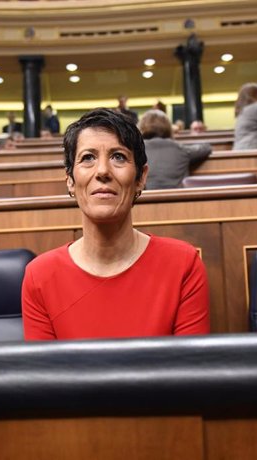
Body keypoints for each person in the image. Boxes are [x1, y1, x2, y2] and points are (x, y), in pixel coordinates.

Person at [22, 108, 210, 340]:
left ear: (141, 178)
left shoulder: (184, 265)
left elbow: (189, 371)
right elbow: (46, 374)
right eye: (87, 157)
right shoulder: (39, 277)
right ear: (70, 180)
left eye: (118, 156)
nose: (102, 171)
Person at [138, 109, 212, 189]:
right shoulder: (180, 148)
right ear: (168, 127)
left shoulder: (136, 150)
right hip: (178, 199)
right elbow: (206, 147)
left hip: (143, 199)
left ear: (142, 127)